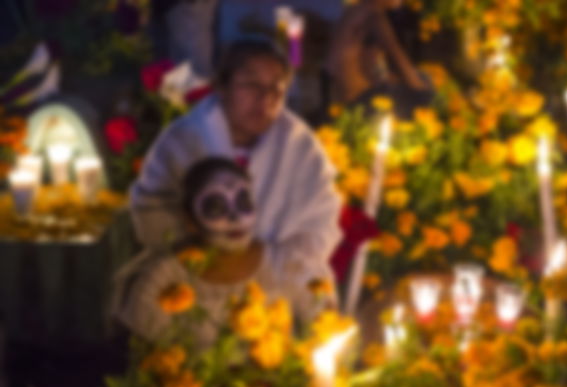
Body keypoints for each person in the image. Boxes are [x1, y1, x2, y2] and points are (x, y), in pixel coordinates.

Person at [130, 39, 341, 289]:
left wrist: (261, 264)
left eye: (277, 88)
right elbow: (152, 212)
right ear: (221, 86)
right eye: (252, 84)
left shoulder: (302, 149)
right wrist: (211, 258)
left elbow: (320, 224)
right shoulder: (184, 139)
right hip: (196, 284)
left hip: (277, 289)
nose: (265, 97)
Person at [115, 158, 321, 345]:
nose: (236, 219)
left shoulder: (288, 263)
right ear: (190, 221)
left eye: (243, 202)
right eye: (215, 207)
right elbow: (144, 362)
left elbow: (325, 333)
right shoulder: (161, 280)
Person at [326, 0, 431, 117]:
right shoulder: (373, 16)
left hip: (345, 93)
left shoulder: (356, 10)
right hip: (359, 101)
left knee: (417, 79)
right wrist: (423, 90)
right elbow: (396, 54)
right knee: (424, 87)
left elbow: (370, 63)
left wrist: (390, 78)